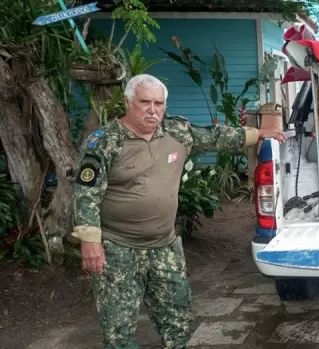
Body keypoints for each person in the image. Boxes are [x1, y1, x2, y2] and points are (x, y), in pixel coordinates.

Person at [71, 74, 287, 348]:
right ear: (128, 102)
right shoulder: (104, 142)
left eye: (159, 103)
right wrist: (90, 242)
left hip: (164, 247)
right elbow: (85, 193)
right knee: (118, 331)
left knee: (179, 322)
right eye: (145, 102)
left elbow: (215, 136)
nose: (153, 110)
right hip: (118, 249)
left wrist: (259, 134)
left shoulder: (177, 132)